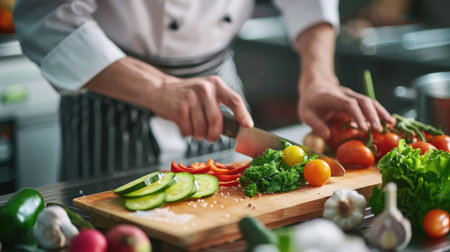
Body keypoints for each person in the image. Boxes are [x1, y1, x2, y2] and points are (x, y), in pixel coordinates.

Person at [13, 0, 393, 180]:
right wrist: (158, 87)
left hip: (220, 96)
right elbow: (45, 18)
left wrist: (319, 78)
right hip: (113, 90)